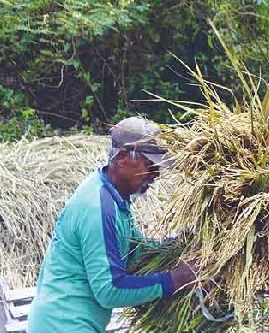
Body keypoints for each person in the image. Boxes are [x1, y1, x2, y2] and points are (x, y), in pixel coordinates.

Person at [27, 116, 196, 333]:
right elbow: (109, 290)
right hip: (63, 324)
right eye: (150, 165)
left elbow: (135, 251)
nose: (156, 175)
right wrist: (174, 279)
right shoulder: (97, 207)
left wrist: (179, 247)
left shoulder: (114, 198)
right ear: (124, 157)